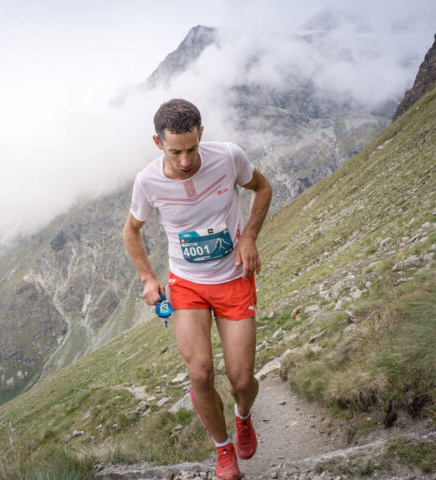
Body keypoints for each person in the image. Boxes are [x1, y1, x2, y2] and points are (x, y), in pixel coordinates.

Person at [122, 99, 272, 480]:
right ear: (158, 144)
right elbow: (132, 231)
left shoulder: (227, 158)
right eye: (175, 152)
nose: (186, 160)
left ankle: (242, 417)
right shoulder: (147, 181)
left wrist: (249, 237)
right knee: (201, 374)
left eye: (191, 148)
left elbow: (263, 187)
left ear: (201, 134)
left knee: (241, 380)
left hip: (234, 276)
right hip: (187, 284)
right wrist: (148, 278)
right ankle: (224, 451)